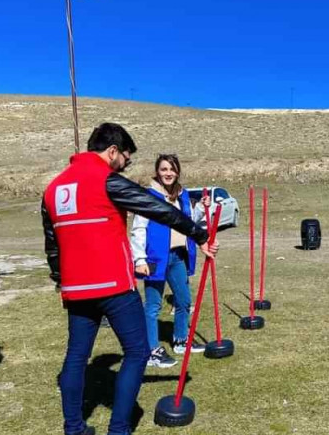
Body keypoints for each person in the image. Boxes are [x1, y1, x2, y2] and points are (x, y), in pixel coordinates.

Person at [42, 123, 216, 435]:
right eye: (126, 158)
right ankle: (119, 430)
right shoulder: (108, 181)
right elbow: (158, 209)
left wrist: (60, 280)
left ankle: (74, 428)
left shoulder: (52, 189)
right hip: (113, 286)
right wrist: (199, 233)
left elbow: (51, 244)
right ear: (112, 152)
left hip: (76, 289)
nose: (125, 164)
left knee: (76, 357)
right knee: (137, 352)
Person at [131, 154, 209, 368]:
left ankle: (181, 340)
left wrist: (201, 208)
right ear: (158, 172)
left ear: (177, 172)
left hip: (177, 256)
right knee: (153, 305)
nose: (168, 173)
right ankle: (152, 350)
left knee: (183, 301)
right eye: (164, 169)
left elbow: (188, 221)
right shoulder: (149, 196)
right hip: (155, 258)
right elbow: (138, 228)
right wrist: (139, 258)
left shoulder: (182, 195)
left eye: (172, 169)